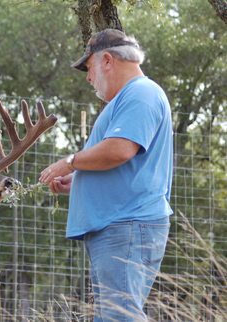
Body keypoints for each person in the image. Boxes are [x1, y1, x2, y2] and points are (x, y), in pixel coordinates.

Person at [39, 29, 173, 322]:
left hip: (126, 225)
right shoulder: (129, 97)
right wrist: (79, 182)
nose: (88, 78)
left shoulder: (141, 93)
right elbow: (125, 163)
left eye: (88, 68)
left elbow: (120, 150)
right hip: (118, 227)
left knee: (119, 317)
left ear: (108, 60)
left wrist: (71, 162)